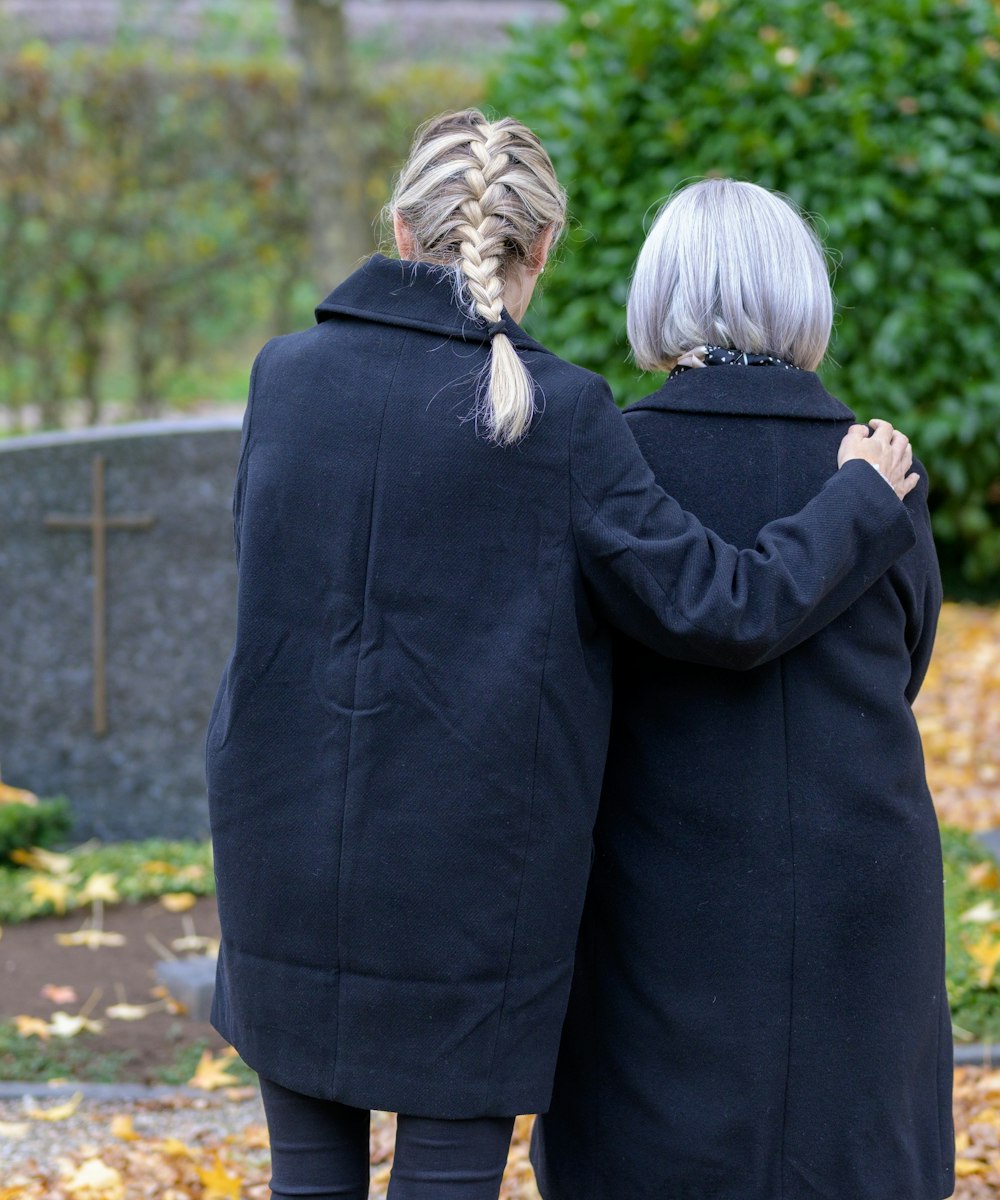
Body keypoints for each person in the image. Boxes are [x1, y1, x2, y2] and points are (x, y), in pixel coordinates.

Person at [205, 113, 918, 1200]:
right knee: (445, 1171)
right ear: (540, 250)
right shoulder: (561, 413)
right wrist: (860, 503)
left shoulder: (282, 377)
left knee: (307, 1171)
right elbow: (723, 610)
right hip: (468, 871)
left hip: (282, 843)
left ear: (398, 224)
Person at [532, 179, 952, 1200]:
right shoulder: (878, 468)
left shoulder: (613, 460)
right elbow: (908, 659)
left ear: (658, 296)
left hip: (659, 885)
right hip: (861, 874)